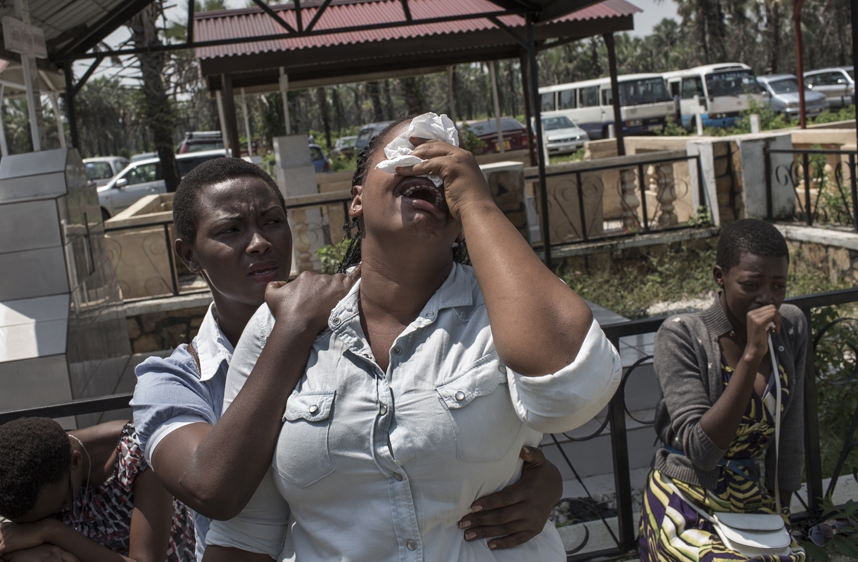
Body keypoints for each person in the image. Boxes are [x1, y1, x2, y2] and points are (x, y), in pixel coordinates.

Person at [200, 114, 622, 560]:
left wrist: (478, 205)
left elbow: (569, 394)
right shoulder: (284, 324)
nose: (428, 168)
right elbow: (246, 533)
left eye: (446, 162)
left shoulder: (502, 311)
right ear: (357, 200)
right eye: (407, 153)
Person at [130, 157, 566, 561]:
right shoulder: (170, 382)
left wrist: (535, 479)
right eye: (231, 231)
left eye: (272, 222)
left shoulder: (353, 328)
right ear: (188, 255)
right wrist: (292, 328)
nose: (260, 243)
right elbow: (213, 490)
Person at [638, 219, 807, 561]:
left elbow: (790, 432)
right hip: (684, 498)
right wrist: (751, 356)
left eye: (778, 285)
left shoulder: (790, 326)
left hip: (748, 500)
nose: (766, 298)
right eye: (750, 284)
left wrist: (782, 519)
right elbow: (702, 451)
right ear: (720, 276)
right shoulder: (681, 335)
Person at [0, 417, 195, 562]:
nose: (62, 512)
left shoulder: (138, 454)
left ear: (75, 462)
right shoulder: (10, 466)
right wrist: (16, 552)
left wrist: (51, 533)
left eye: (58, 506)